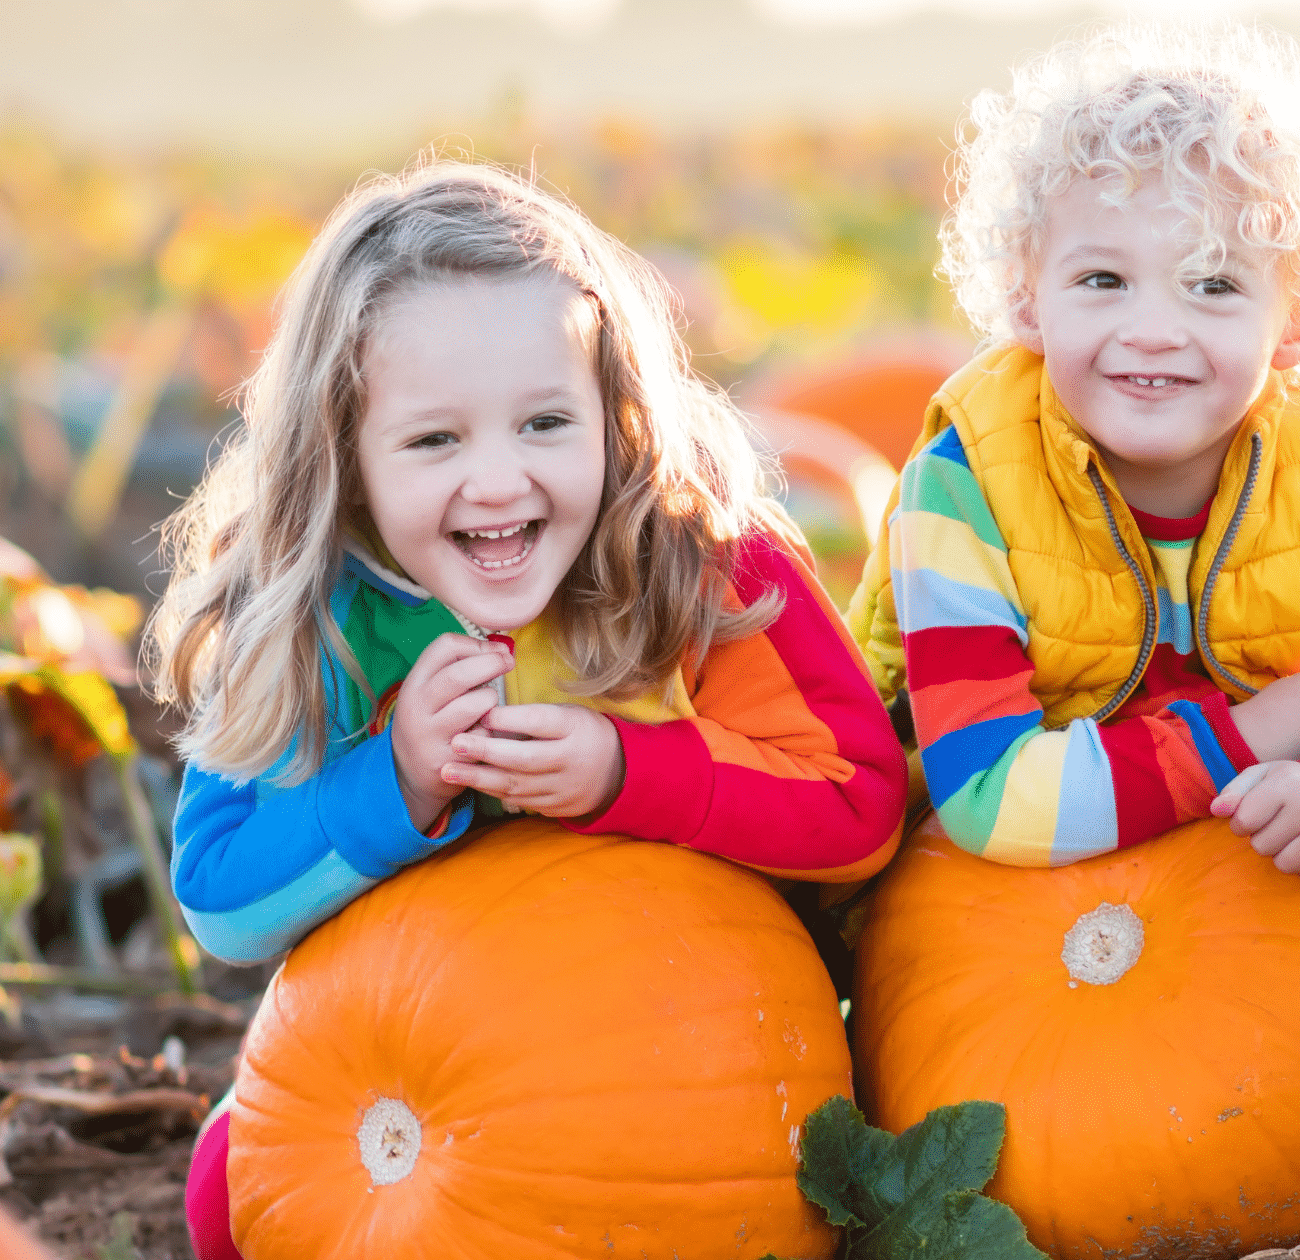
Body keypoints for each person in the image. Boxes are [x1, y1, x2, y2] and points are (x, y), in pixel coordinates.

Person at [145, 160, 906, 1259]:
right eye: (434, 441)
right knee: (236, 1204)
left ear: (617, 411)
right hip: (420, 1070)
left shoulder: (701, 573)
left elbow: (860, 805)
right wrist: (394, 783)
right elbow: (221, 905)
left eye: (546, 423)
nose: (498, 482)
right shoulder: (313, 622)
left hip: (691, 1058)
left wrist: (623, 772)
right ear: (344, 456)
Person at [848, 23, 1300, 879]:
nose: (1152, 332)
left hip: (1257, 904)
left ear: (1298, 324)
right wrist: (1256, 733)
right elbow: (988, 797)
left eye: (1214, 285)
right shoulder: (963, 491)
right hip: (1004, 924)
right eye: (1103, 280)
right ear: (1027, 303)